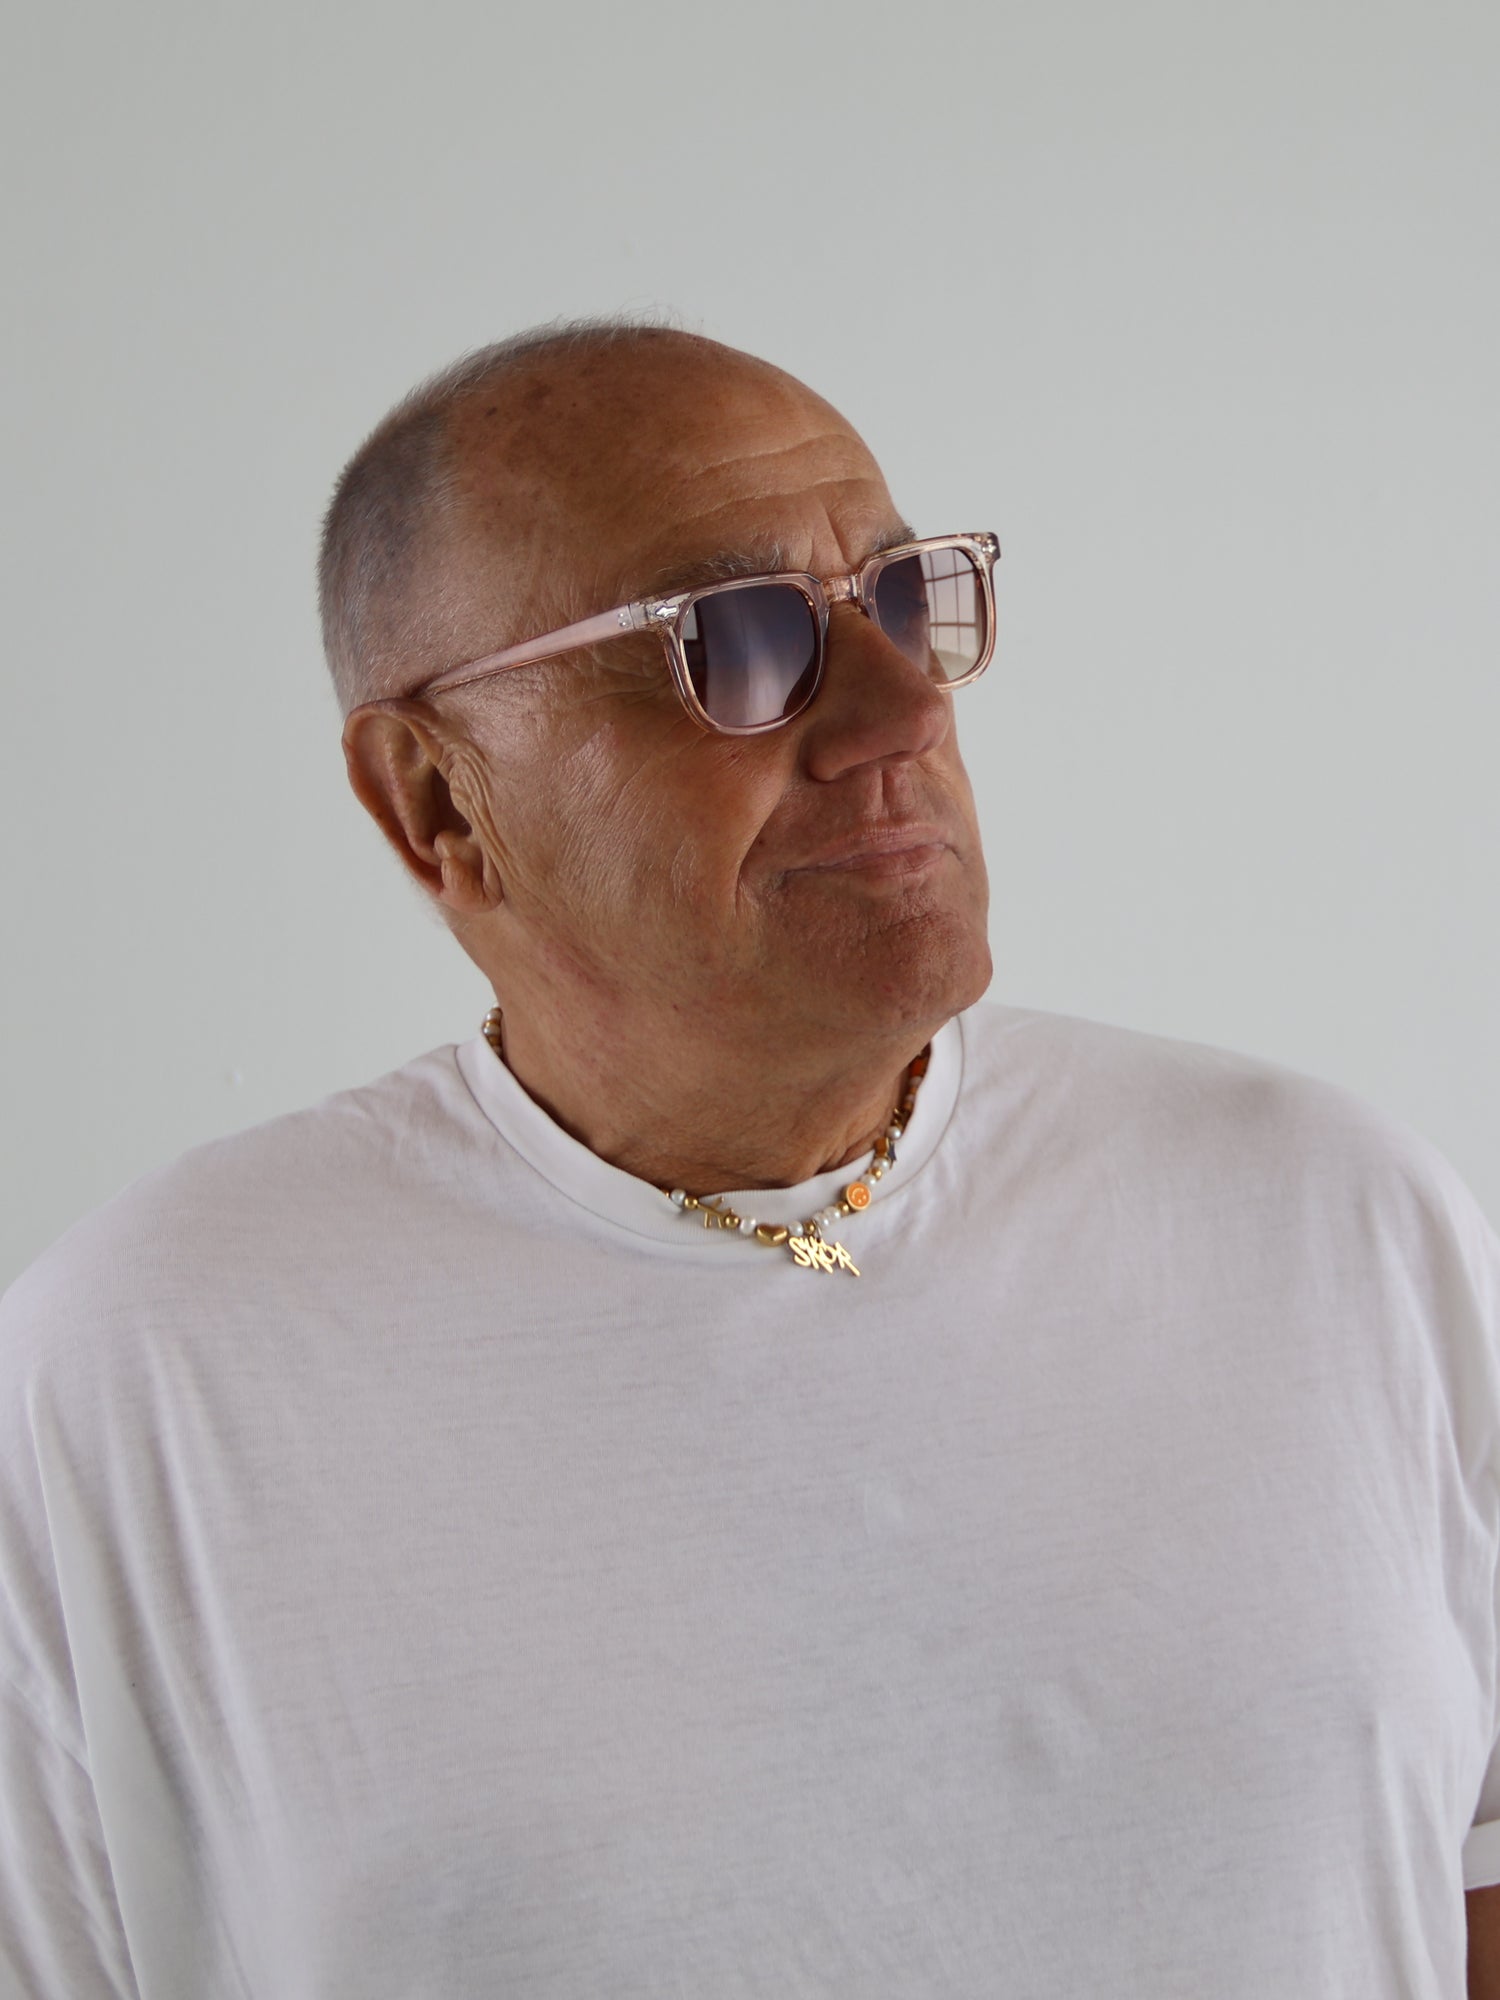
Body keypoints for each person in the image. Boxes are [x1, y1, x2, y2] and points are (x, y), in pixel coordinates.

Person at [2, 320, 1499, 1999]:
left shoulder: (1332, 1220)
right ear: (435, 799)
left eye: (907, 598)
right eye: (734, 643)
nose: (906, 708)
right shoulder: (140, 1381)